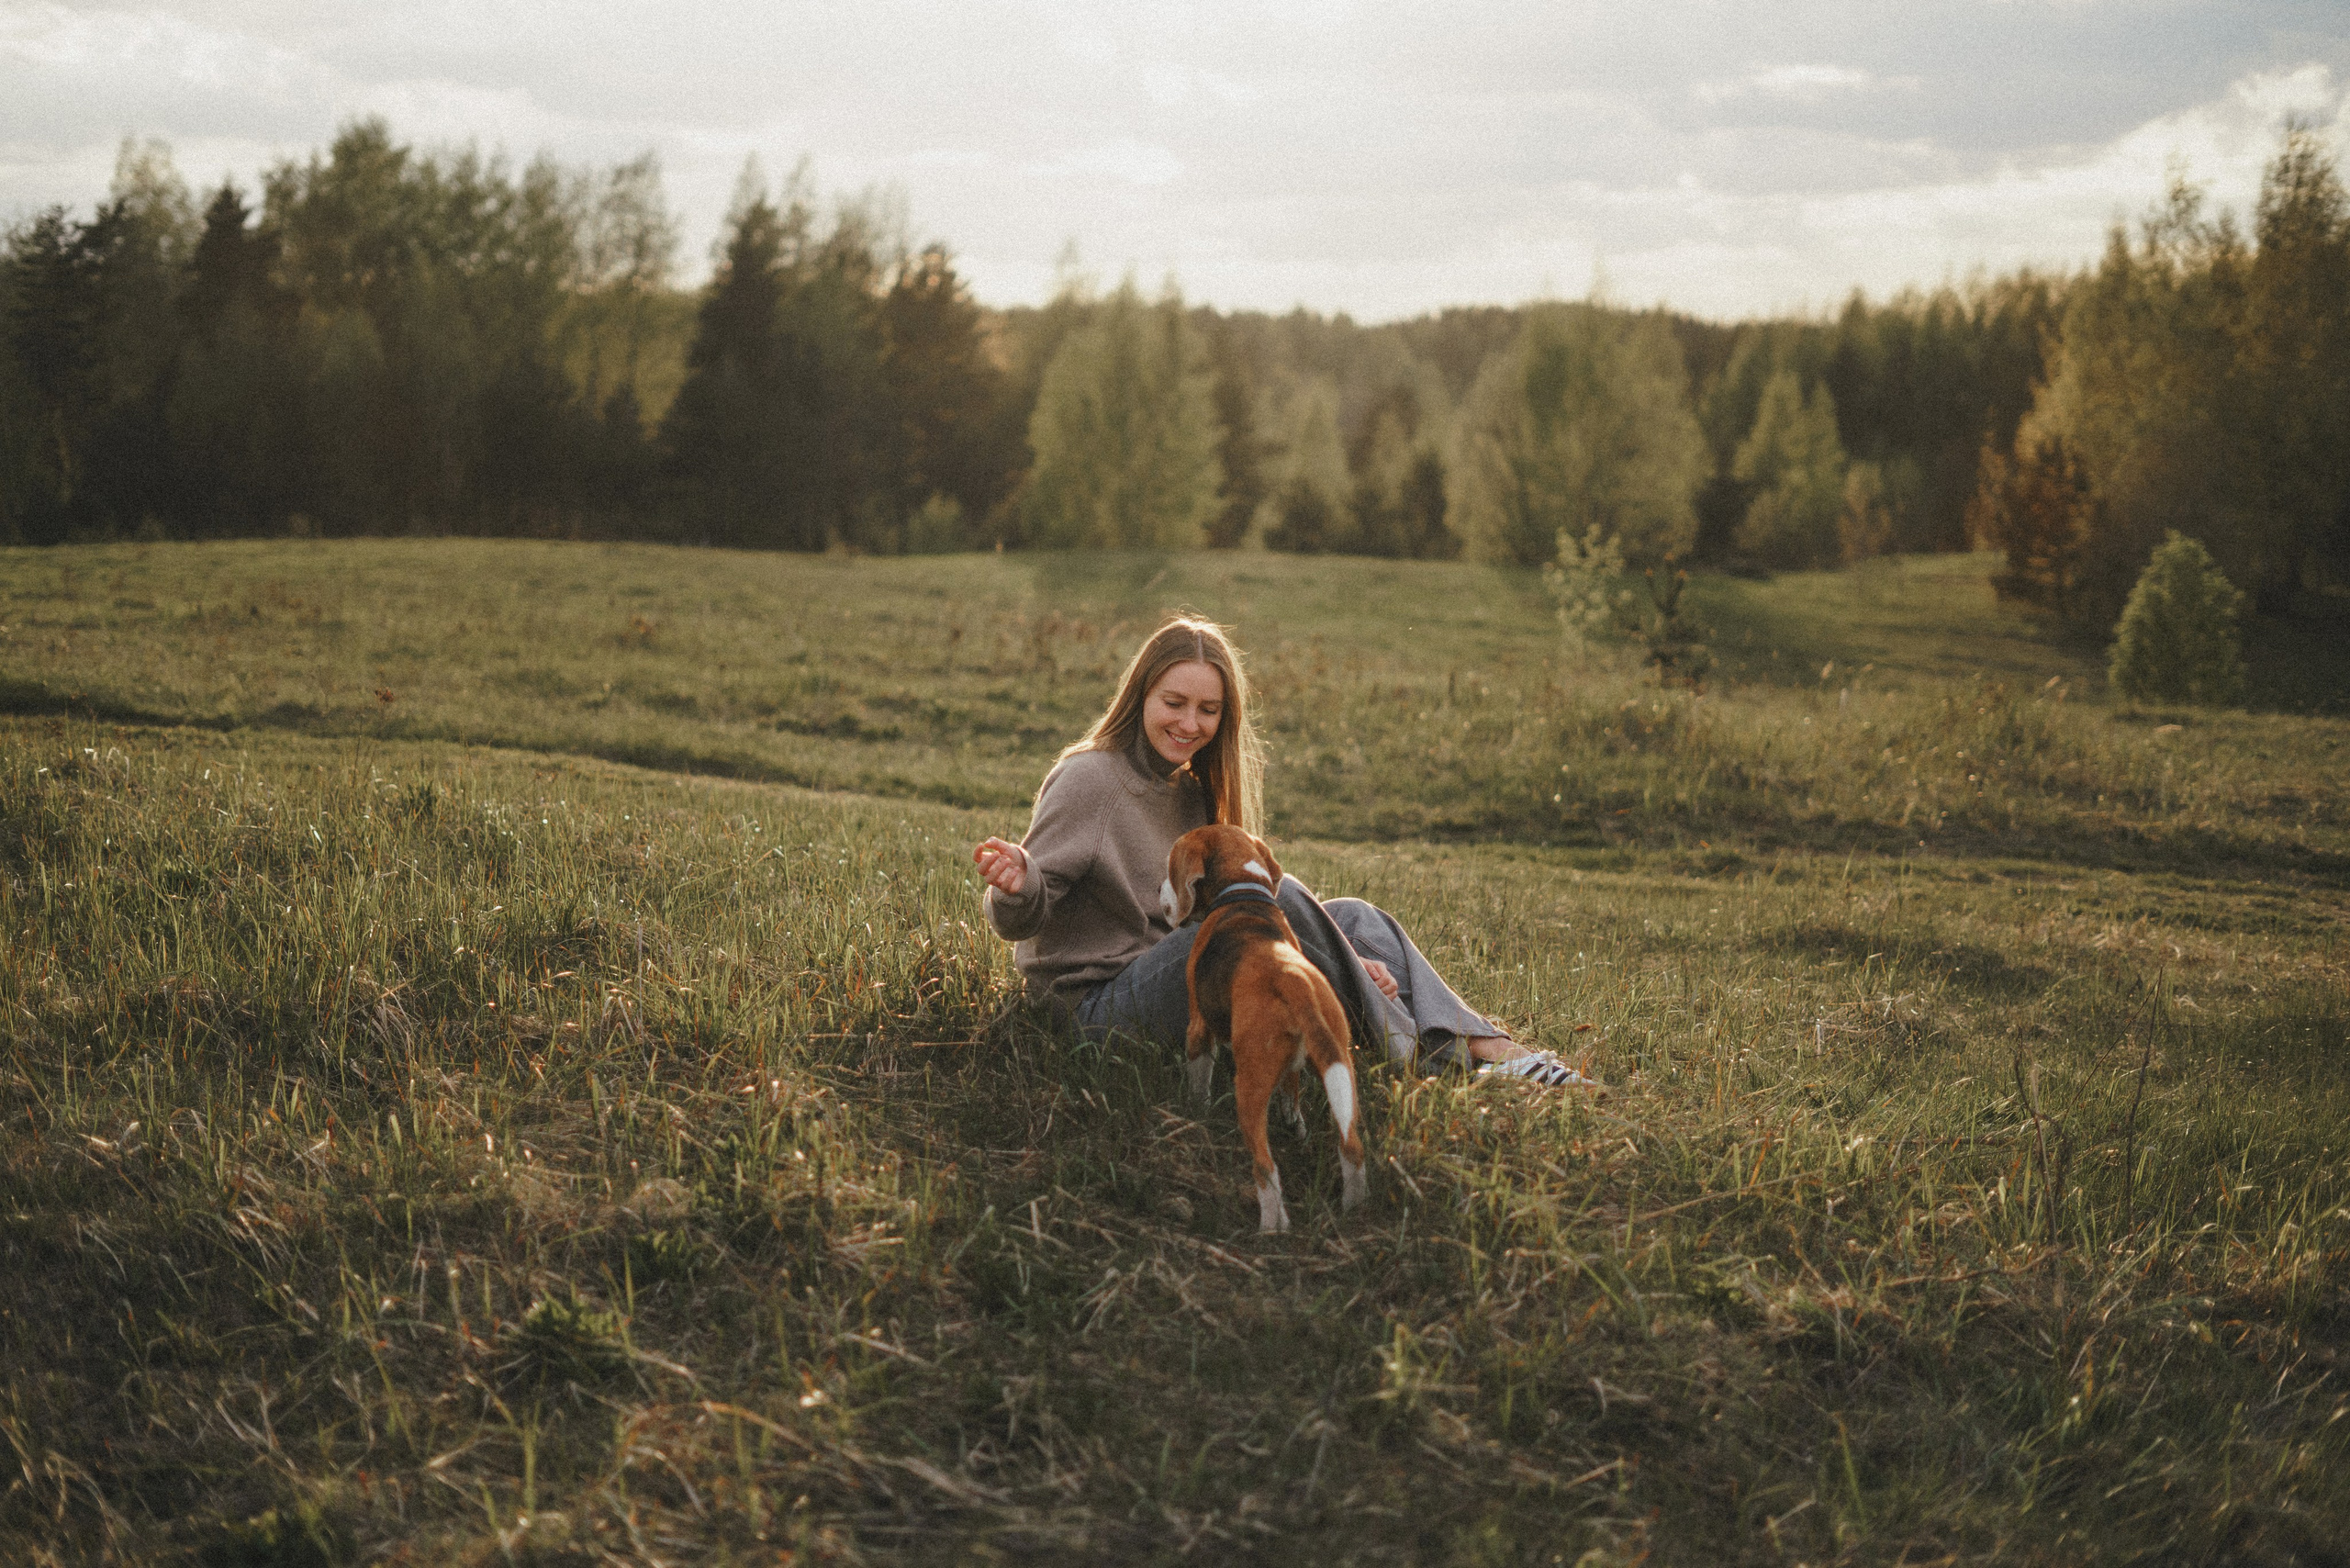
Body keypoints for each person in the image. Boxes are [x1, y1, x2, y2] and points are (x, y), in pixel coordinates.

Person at [972, 615, 1593, 1087]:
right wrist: (1018, 883)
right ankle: (1455, 1061)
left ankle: (1480, 1048)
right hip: (1097, 1014)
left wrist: (1341, 946)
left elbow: (1202, 918)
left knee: (1354, 918)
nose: (1189, 724)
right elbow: (1021, 920)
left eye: (1208, 710)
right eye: (1175, 703)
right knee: (1282, 900)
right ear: (1141, 698)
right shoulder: (1092, 779)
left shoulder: (1191, 796)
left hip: (1176, 978)